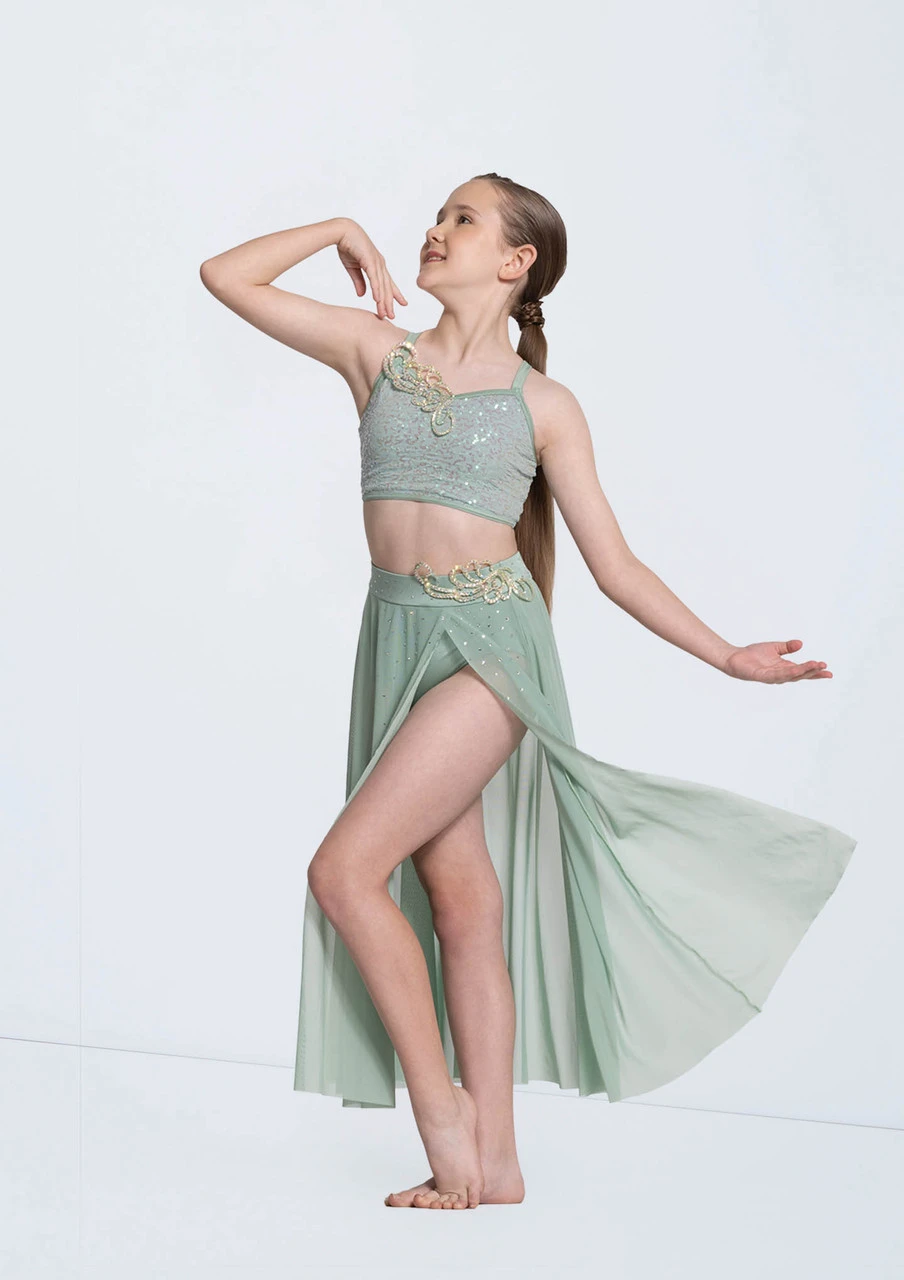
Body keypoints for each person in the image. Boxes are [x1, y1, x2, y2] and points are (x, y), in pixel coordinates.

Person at [199, 172, 857, 1211]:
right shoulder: (375, 352)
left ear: (516, 262)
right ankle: (498, 1166)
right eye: (437, 214)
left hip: (492, 649)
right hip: (397, 642)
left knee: (345, 871)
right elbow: (223, 275)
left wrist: (726, 655)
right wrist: (337, 228)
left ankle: (446, 1116)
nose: (435, 229)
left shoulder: (544, 405)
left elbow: (616, 567)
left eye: (462, 219)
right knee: (463, 901)